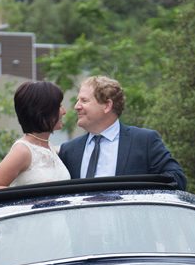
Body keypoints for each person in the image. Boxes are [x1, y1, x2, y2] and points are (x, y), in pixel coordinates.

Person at [59, 75, 187, 190]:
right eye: (78, 100)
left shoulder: (144, 141)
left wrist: (137, 193)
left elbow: (176, 180)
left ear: (107, 105)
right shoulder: (69, 150)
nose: (76, 106)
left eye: (84, 100)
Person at [0, 80, 70, 192]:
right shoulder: (23, 150)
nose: (64, 111)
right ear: (43, 111)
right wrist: (31, 195)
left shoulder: (49, 147)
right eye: (58, 106)